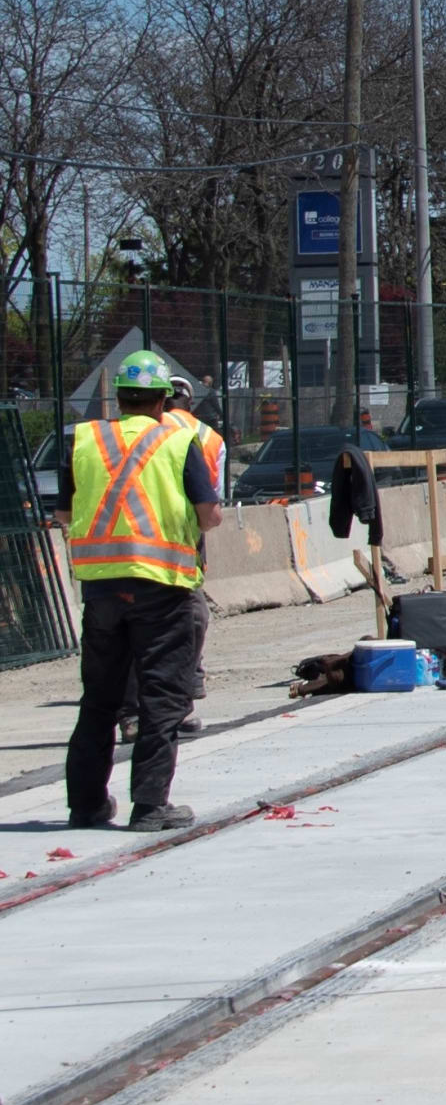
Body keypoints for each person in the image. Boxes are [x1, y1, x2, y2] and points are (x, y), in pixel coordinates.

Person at [65, 348, 223, 831]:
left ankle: (87, 805)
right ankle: (150, 805)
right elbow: (209, 515)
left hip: (101, 591)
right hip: (163, 587)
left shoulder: (88, 439)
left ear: (119, 399)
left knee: (99, 700)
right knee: (162, 698)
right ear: (162, 400)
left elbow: (62, 512)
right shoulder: (178, 442)